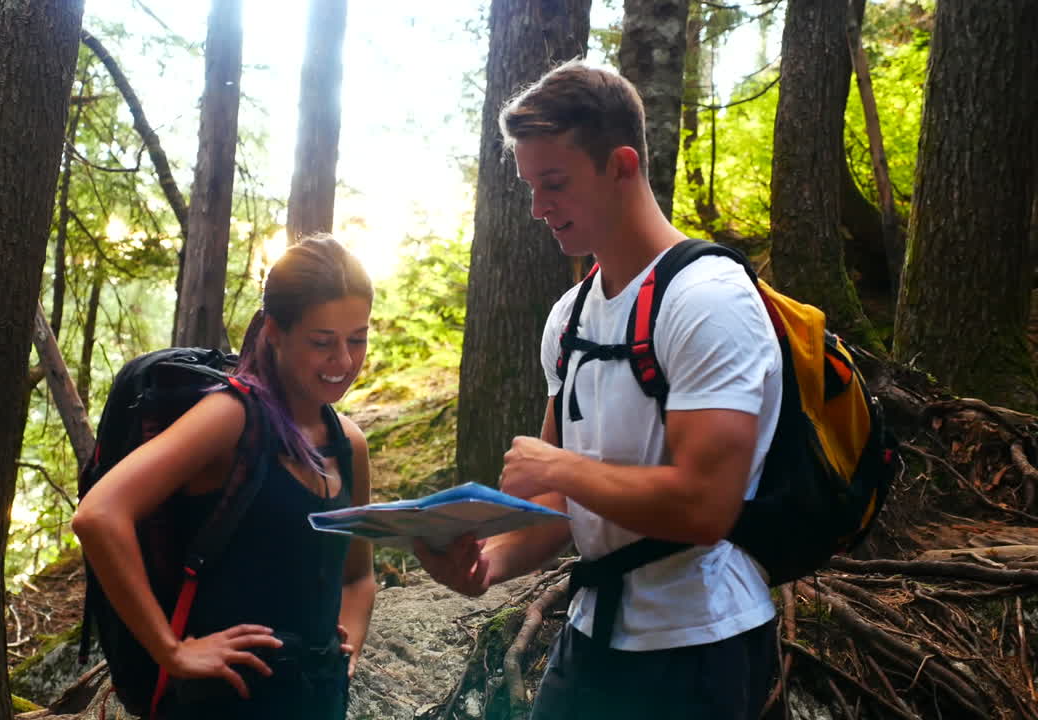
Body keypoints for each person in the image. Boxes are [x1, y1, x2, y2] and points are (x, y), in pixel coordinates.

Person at [415, 60, 782, 719]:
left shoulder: (708, 299)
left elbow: (706, 507)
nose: (538, 208)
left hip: (701, 643)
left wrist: (559, 466)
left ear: (621, 166)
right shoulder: (571, 316)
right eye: (531, 186)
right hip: (593, 635)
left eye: (554, 183)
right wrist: (487, 564)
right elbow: (558, 506)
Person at [73, 234, 377, 719]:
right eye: (322, 342)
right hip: (220, 704)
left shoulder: (349, 444)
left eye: (357, 339)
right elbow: (98, 515)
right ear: (275, 332)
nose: (343, 361)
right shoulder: (231, 417)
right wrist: (172, 651)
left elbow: (358, 576)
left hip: (318, 701)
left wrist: (346, 650)